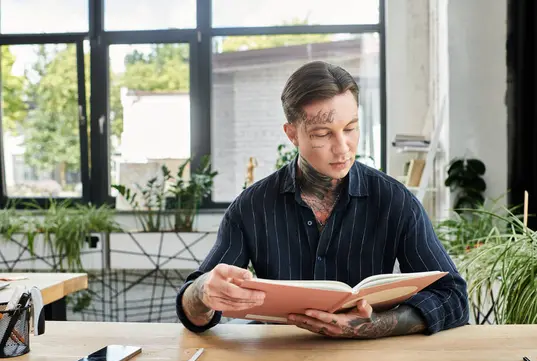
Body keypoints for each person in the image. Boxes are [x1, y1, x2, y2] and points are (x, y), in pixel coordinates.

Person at [176, 61, 469, 339]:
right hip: (274, 360)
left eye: (351, 128)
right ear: (292, 134)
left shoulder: (395, 200)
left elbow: (453, 297)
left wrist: (378, 325)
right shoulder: (251, 207)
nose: (343, 148)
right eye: (322, 133)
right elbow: (195, 315)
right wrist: (202, 292)